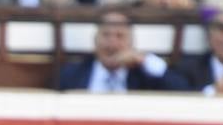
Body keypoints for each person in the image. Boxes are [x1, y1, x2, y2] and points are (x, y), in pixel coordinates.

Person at [55, 8, 189, 92]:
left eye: (120, 36)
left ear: (131, 43)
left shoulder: (143, 75)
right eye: (106, 35)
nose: (112, 42)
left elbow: (183, 91)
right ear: (95, 41)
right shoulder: (72, 74)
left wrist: (144, 60)